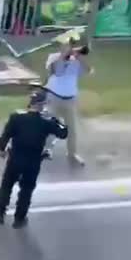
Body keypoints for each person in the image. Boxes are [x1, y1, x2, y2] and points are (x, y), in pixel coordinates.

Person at [0, 90, 69, 229]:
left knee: (6, 185)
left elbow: (5, 136)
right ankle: (19, 219)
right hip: (33, 162)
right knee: (26, 190)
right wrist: (60, 121)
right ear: (43, 104)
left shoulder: (16, 117)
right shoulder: (47, 122)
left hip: (15, 159)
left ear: (30, 102)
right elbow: (63, 134)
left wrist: (1, 150)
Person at [44, 37, 91, 166]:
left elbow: (89, 71)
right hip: (54, 97)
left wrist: (79, 57)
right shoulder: (53, 57)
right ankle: (46, 150)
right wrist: (64, 56)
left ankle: (72, 154)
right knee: (50, 126)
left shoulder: (77, 61)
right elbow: (57, 72)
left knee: (72, 130)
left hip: (70, 99)